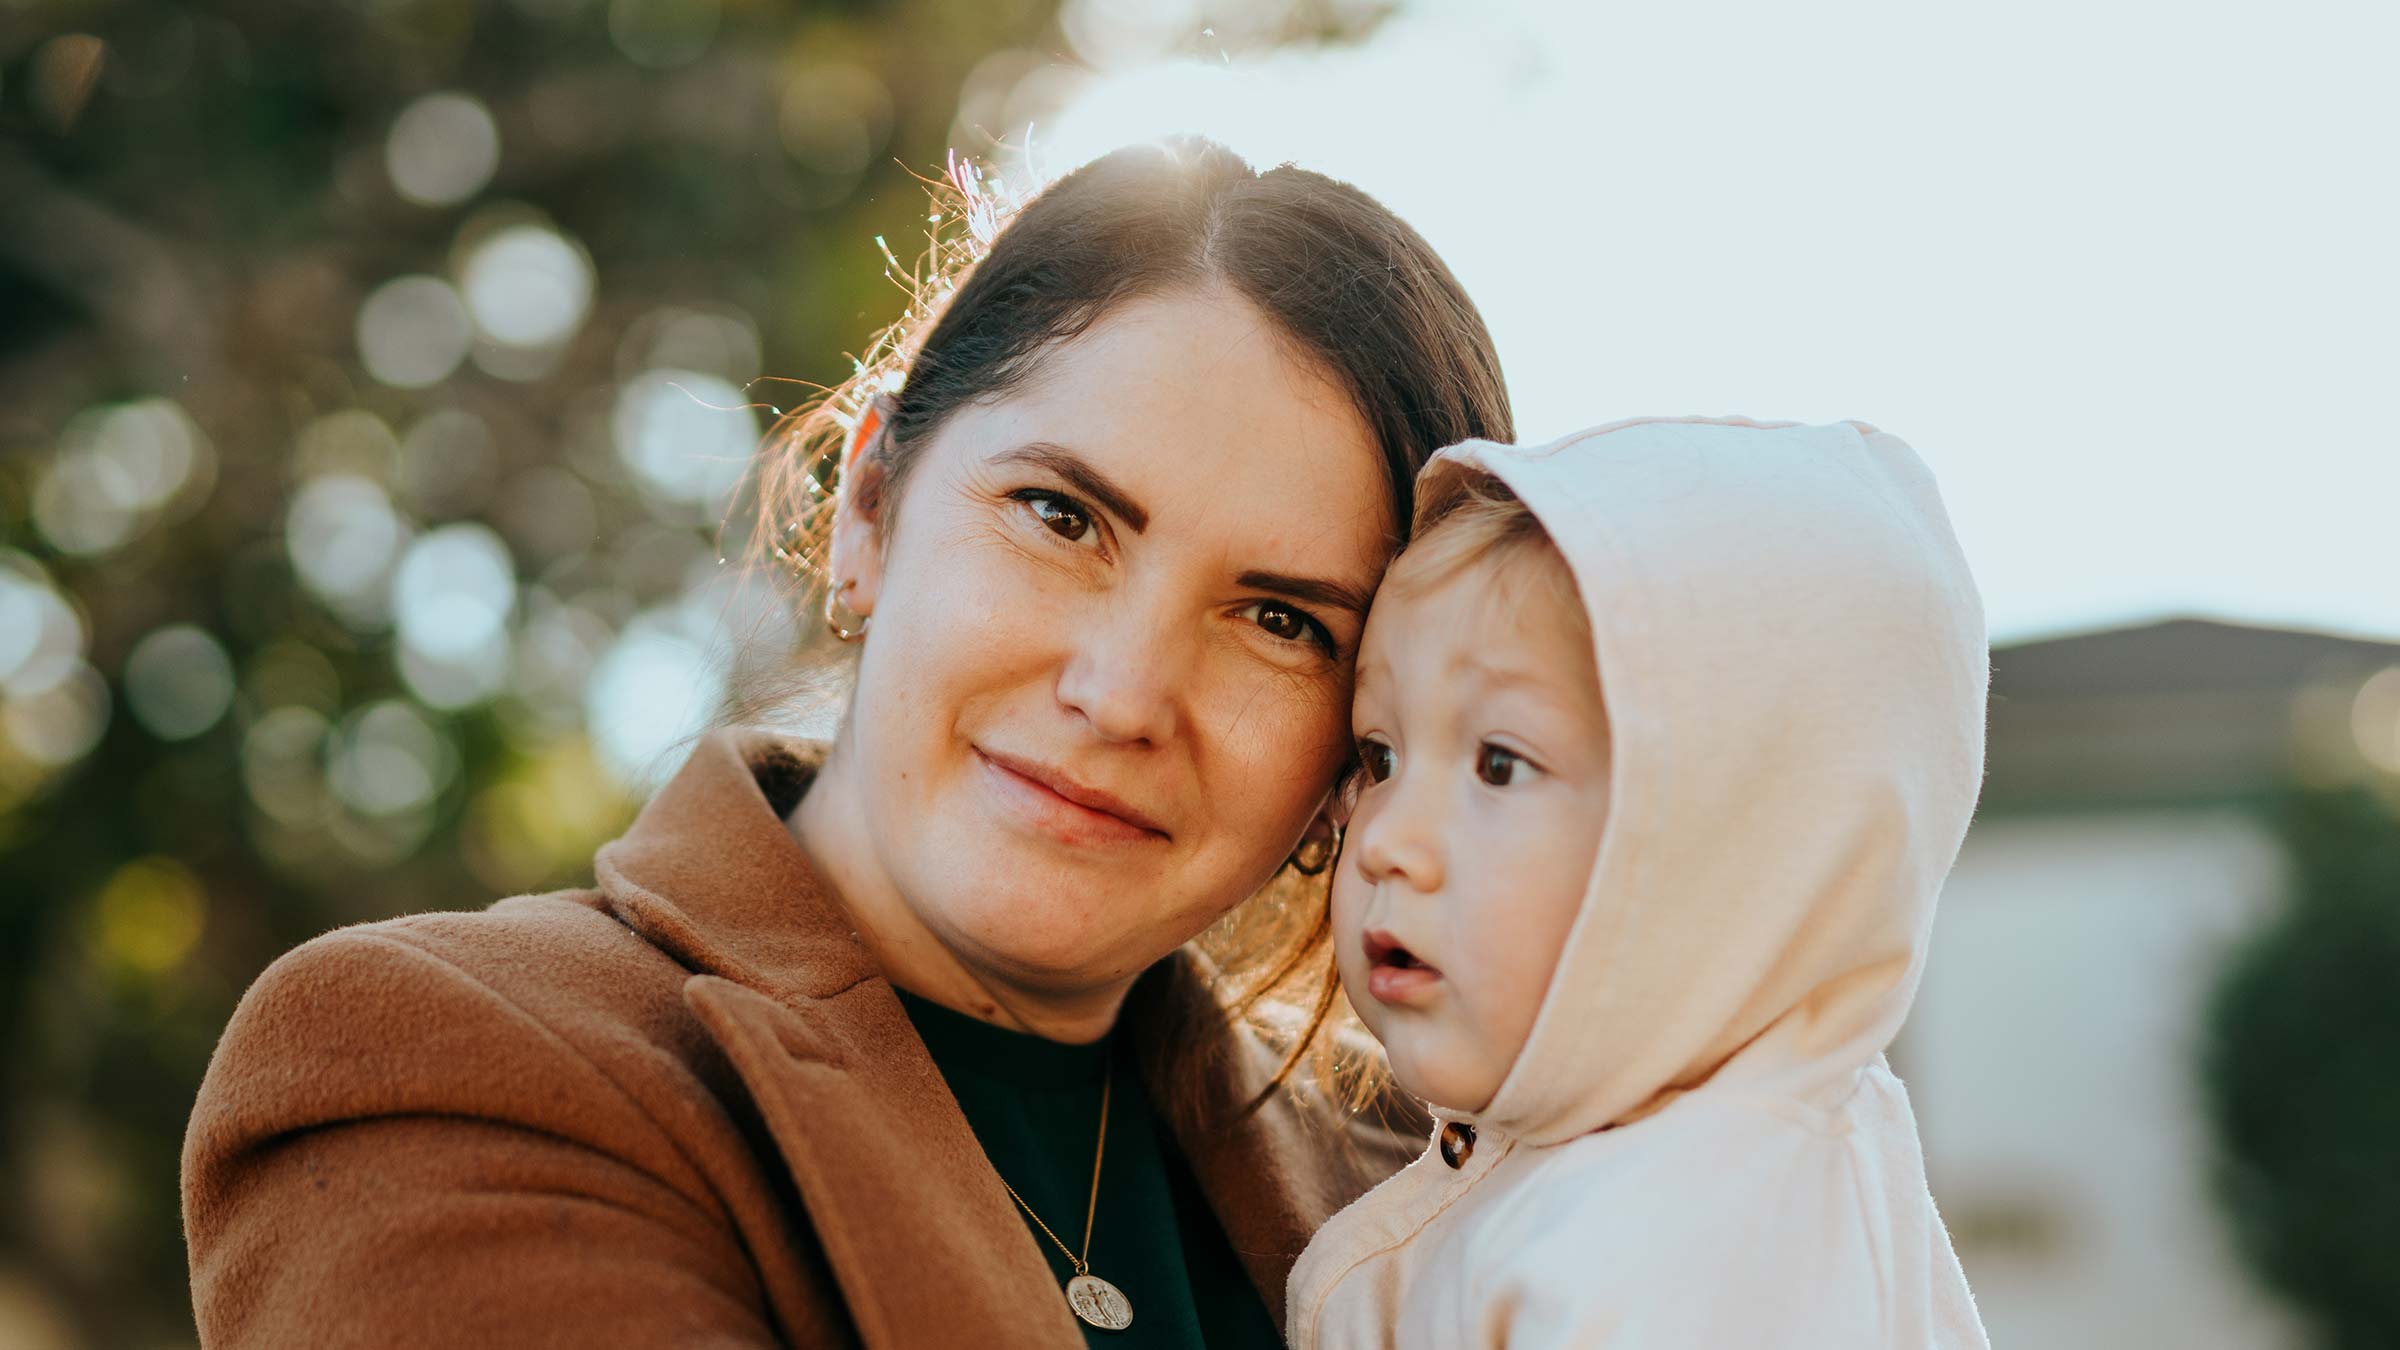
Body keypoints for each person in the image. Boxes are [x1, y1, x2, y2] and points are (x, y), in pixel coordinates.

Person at [180, 136, 1511, 1348]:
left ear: (1373, 732)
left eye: (1281, 618)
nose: (1121, 692)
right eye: (1060, 516)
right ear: (871, 508)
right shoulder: (451, 1058)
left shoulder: (1457, 1177)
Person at [1285, 416, 1993, 1347]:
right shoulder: (1620, 1183)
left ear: (1744, 847)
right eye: (1378, 756)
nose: (1386, 843)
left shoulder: (1682, 1257)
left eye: (1499, 764)